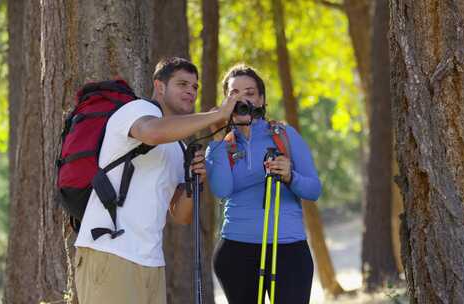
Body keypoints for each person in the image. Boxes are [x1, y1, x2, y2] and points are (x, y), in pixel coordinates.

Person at [74, 57, 238, 304]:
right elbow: (151, 132)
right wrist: (216, 116)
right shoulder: (137, 110)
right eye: (182, 84)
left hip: (152, 262)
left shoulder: (180, 147)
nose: (190, 92)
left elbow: (180, 215)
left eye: (195, 87)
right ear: (159, 86)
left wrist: (195, 183)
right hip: (111, 251)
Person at [206, 64, 322, 304]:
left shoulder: (284, 135)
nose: (242, 100)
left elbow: (314, 190)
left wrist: (291, 176)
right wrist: (217, 140)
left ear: (261, 99)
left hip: (287, 249)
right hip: (236, 250)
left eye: (249, 93)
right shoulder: (220, 143)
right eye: (234, 94)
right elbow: (221, 190)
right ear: (226, 102)